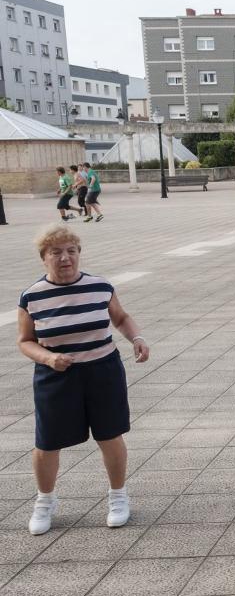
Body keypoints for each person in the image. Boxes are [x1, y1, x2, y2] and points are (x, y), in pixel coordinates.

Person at [18, 224, 150, 536]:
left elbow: (120, 317)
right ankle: (45, 501)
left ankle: (118, 496)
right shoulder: (32, 297)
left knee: (109, 434)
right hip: (56, 375)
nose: (65, 258)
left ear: (79, 254)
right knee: (47, 441)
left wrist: (137, 337)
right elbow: (25, 340)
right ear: (44, 258)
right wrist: (49, 358)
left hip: (102, 370)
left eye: (71, 251)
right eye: (56, 253)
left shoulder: (100, 286)